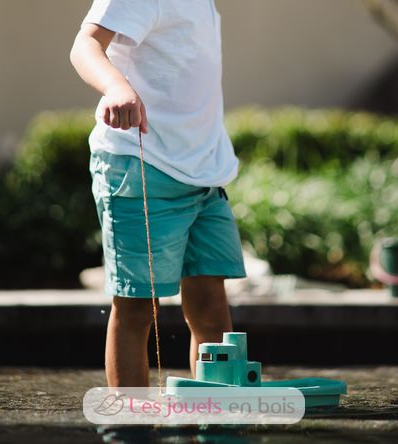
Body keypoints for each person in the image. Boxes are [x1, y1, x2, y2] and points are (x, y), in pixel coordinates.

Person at [70, 0, 247, 387]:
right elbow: (85, 44)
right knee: (137, 308)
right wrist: (117, 86)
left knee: (211, 307)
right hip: (141, 164)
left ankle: (212, 420)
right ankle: (131, 425)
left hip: (204, 173)